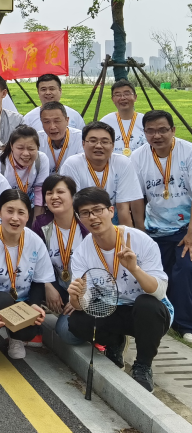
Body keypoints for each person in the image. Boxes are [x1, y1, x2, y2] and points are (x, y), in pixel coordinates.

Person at [67, 187, 172, 392]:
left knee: (147, 305)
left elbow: (159, 292)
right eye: (85, 213)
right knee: (77, 321)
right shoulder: (81, 252)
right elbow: (81, 306)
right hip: (111, 308)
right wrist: (75, 296)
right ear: (79, 218)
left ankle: (143, 365)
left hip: (146, 313)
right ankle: (114, 344)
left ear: (111, 211)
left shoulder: (140, 241)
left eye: (98, 210)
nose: (93, 217)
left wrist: (134, 269)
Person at [0, 190, 53, 377]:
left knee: (29, 331)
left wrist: (35, 306)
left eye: (21, 212)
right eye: (10, 211)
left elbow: (38, 281)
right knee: (2, 300)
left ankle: (15, 337)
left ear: (28, 216)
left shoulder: (35, 242)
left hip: (20, 302)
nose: (15, 218)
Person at [132, 110, 192, 341]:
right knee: (158, 273)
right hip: (155, 227)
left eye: (162, 130)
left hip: (185, 227)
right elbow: (137, 198)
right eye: (150, 131)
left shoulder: (188, 152)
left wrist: (190, 234)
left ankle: (184, 324)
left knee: (184, 268)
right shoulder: (138, 157)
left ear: (173, 130)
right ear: (144, 133)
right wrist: (141, 232)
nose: (156, 136)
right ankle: (161, 317)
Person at [32, 175, 88, 345]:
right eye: (49, 193)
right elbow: (35, 261)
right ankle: (31, 331)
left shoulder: (87, 223)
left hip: (86, 288)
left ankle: (105, 335)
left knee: (65, 332)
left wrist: (79, 298)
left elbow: (100, 264)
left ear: (73, 196)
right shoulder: (41, 224)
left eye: (60, 192)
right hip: (59, 284)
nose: (54, 197)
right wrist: (47, 285)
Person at [60, 121, 143, 227]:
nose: (98, 146)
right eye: (93, 141)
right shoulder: (72, 164)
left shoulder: (122, 163)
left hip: (113, 220)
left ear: (113, 146)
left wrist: (126, 235)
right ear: (83, 144)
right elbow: (72, 206)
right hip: (83, 220)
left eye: (105, 141)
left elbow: (123, 208)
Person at [0, 125, 50, 213]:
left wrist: (37, 219)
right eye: (20, 148)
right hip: (2, 207)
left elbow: (39, 191)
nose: (26, 153)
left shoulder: (41, 159)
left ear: (38, 147)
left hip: (28, 207)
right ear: (11, 146)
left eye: (31, 149)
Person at [100, 80, 146, 156]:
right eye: (118, 95)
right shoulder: (105, 122)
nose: (123, 98)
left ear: (135, 97)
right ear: (113, 99)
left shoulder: (145, 121)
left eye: (127, 94)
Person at [37, 102, 83, 174]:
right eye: (47, 122)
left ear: (67, 121)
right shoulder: (37, 139)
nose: (52, 127)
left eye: (57, 121)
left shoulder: (82, 139)